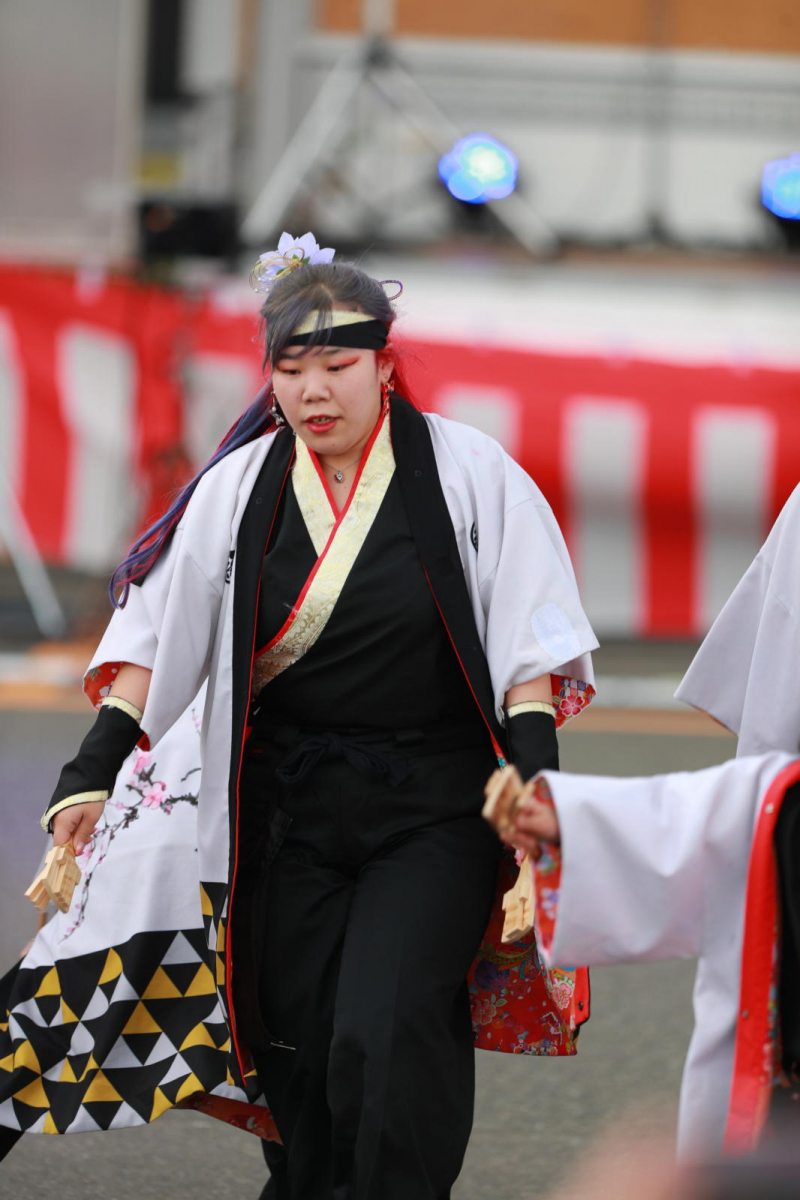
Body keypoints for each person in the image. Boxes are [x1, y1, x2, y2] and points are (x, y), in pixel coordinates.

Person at [0, 234, 597, 1198]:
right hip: (283, 810)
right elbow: (156, 640)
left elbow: (531, 651)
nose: (316, 390)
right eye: (292, 368)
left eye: (338, 365)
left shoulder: (472, 474)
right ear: (269, 375)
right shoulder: (238, 490)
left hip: (436, 808)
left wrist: (533, 782)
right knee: (301, 1044)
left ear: (385, 366)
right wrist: (91, 772)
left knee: (387, 1026)